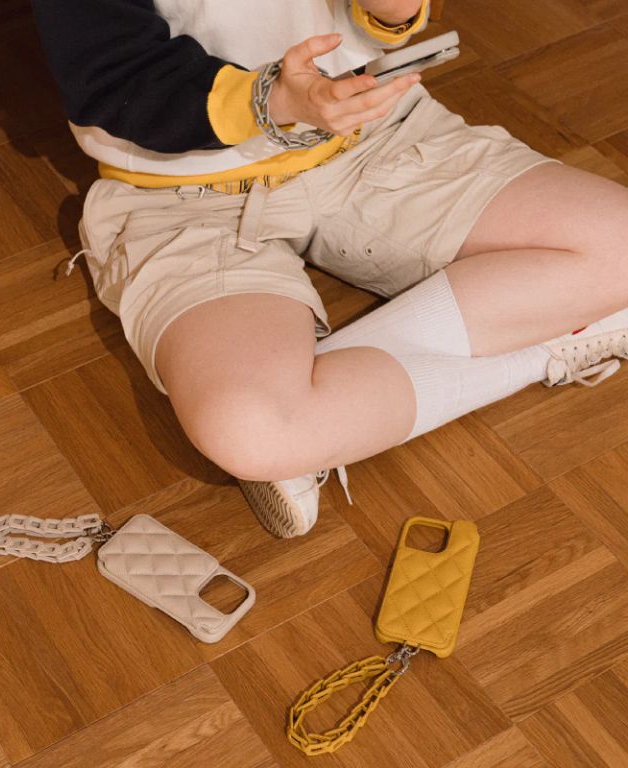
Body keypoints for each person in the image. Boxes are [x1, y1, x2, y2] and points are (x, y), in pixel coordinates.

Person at [32, 0, 628, 538]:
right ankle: (550, 338)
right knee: (251, 429)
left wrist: (394, 13)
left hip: (370, 136)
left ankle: (321, 419)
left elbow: (378, 26)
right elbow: (114, 79)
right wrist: (275, 99)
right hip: (179, 197)